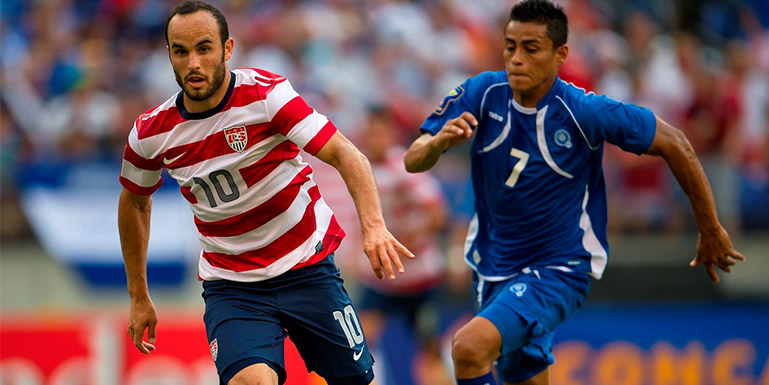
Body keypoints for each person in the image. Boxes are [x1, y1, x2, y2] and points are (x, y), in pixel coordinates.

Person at [402, 1, 745, 385]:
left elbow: (675, 142)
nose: (516, 59)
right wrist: (438, 143)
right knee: (522, 377)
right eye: (510, 46)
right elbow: (413, 159)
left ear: (560, 54)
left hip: (558, 266)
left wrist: (710, 228)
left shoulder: (583, 111)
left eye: (531, 49)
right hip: (494, 266)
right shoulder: (483, 92)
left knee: (468, 348)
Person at [117, 1, 413, 385]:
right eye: (181, 51)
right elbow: (134, 202)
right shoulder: (150, 133)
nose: (192, 63)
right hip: (233, 286)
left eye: (204, 48)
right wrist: (138, 295)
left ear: (227, 49)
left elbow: (344, 153)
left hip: (306, 267)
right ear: (169, 55)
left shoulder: (266, 95)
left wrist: (373, 226)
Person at [355, 107, 448, 385]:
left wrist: (407, 241)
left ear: (392, 134)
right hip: (384, 277)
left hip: (420, 277)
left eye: (381, 131)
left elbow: (437, 214)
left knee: (428, 345)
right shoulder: (362, 167)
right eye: (371, 131)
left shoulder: (405, 167)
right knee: (360, 340)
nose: (376, 137)